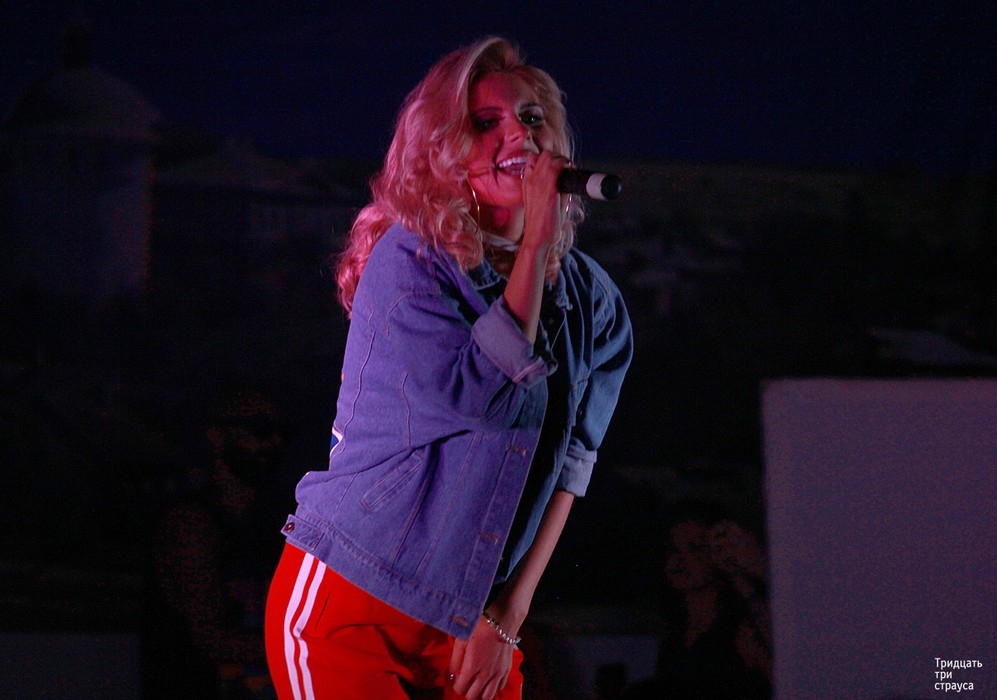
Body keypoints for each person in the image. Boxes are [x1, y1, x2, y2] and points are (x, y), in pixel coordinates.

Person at [264, 36, 632, 700]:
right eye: (485, 122)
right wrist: (537, 239)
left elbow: (571, 465)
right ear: (443, 151)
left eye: (530, 118)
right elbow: (485, 394)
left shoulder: (592, 302)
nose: (515, 135)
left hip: (468, 618)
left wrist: (506, 619)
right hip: (354, 596)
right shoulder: (410, 259)